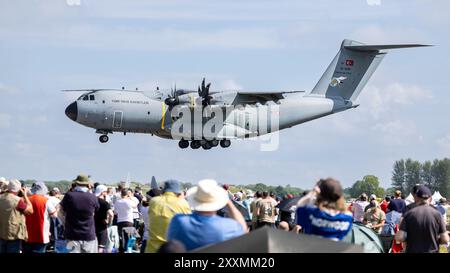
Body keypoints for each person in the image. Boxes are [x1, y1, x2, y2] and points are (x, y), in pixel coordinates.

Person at [167, 179, 247, 251]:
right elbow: (243, 230)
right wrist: (228, 201)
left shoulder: (178, 221)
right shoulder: (229, 226)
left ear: (194, 199)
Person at [395, 186, 449, 253]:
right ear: (430, 198)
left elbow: (399, 237)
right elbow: (445, 239)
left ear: (416, 198)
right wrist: (434, 239)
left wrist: (409, 239)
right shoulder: (437, 214)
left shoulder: (409, 214)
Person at [145, 180, 191, 253]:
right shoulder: (183, 203)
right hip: (172, 248)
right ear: (178, 193)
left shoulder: (154, 201)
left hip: (152, 249)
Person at [58, 174, 100, 253]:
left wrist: (64, 223)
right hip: (89, 234)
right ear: (87, 184)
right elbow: (94, 212)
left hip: (72, 234)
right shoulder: (92, 197)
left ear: (76, 183)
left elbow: (59, 211)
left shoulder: (69, 196)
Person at [0, 179, 33, 253]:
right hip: (13, 234)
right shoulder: (17, 200)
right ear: (18, 189)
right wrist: (25, 195)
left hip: (1, 233)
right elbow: (30, 211)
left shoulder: (1, 197)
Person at [24, 181, 57, 253]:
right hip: (41, 235)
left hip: (27, 235)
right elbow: (54, 215)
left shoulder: (26, 200)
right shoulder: (46, 201)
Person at [114, 188, 138, 252]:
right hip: (129, 222)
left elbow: (115, 212)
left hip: (120, 222)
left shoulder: (117, 202)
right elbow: (135, 205)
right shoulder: (129, 201)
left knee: (121, 238)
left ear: (121, 194)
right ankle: (128, 250)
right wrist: (130, 198)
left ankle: (121, 250)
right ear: (127, 194)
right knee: (129, 239)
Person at [94, 185, 114, 253]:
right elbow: (111, 214)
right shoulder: (104, 203)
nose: (107, 193)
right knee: (101, 246)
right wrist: (109, 222)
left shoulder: (92, 201)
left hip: (91, 225)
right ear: (102, 192)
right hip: (102, 226)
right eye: (106, 191)